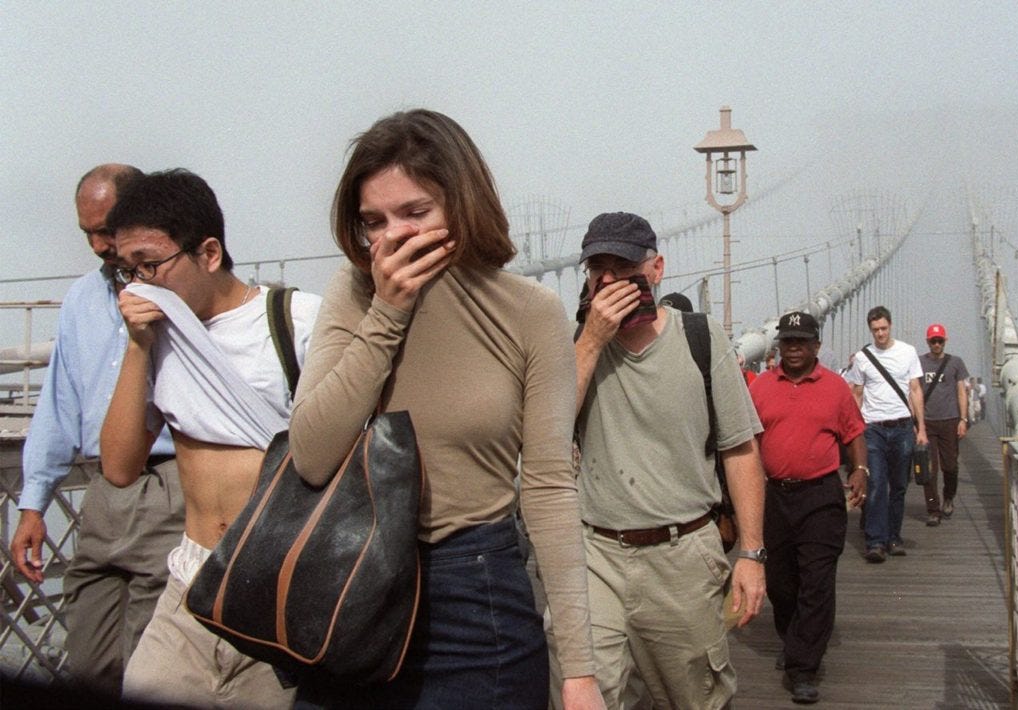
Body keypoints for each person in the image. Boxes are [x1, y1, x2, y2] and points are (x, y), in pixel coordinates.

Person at [287, 109, 602, 710]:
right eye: (373, 222)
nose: (393, 237)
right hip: (351, 589)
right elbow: (311, 453)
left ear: (462, 203)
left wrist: (580, 670)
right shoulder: (352, 294)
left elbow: (549, 488)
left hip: (474, 593)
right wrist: (386, 315)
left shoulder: (531, 312)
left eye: (416, 212)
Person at [99, 169, 320, 708]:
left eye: (150, 265)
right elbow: (119, 467)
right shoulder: (155, 339)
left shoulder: (298, 321)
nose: (138, 285)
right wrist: (136, 348)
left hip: (283, 595)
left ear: (210, 253)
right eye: (126, 271)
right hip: (191, 588)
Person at [572, 211, 766, 708]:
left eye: (623, 265)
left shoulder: (701, 339)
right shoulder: (573, 347)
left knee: (695, 698)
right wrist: (591, 339)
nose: (609, 279)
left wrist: (751, 554)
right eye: (598, 268)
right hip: (595, 555)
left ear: (656, 269)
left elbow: (740, 449)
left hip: (683, 556)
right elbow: (546, 435)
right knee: (585, 694)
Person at [10, 164, 185, 697]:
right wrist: (33, 504)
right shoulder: (83, 300)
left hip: (170, 483)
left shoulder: (181, 293)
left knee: (150, 667)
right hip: (103, 492)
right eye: (87, 232)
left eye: (106, 230)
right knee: (88, 661)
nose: (97, 245)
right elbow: (59, 406)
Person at [749, 311, 868, 705]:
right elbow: (745, 443)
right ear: (777, 346)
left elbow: (854, 434)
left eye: (802, 341)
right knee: (782, 584)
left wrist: (861, 469)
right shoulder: (761, 387)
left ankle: (803, 667)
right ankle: (796, 638)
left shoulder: (835, 388)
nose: (794, 348)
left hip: (820, 496)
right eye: (787, 341)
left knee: (817, 581)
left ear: (817, 346)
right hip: (774, 497)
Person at [846, 306, 927, 562]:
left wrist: (921, 428)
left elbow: (915, 390)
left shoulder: (907, 352)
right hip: (874, 429)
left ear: (890, 326)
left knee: (900, 486)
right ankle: (876, 541)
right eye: (875, 330)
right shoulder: (862, 357)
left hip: (903, 427)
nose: (880, 334)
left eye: (883, 328)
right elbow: (856, 394)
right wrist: (854, 431)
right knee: (878, 483)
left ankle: (894, 537)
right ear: (870, 330)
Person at [919, 323, 969, 524]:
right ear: (928, 341)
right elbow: (913, 392)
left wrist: (963, 419)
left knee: (950, 467)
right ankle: (933, 509)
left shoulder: (955, 362)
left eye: (940, 340)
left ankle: (948, 497)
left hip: (950, 421)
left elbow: (961, 392)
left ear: (945, 341)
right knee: (929, 471)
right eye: (933, 341)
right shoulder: (919, 363)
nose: (936, 344)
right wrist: (917, 423)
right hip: (928, 422)